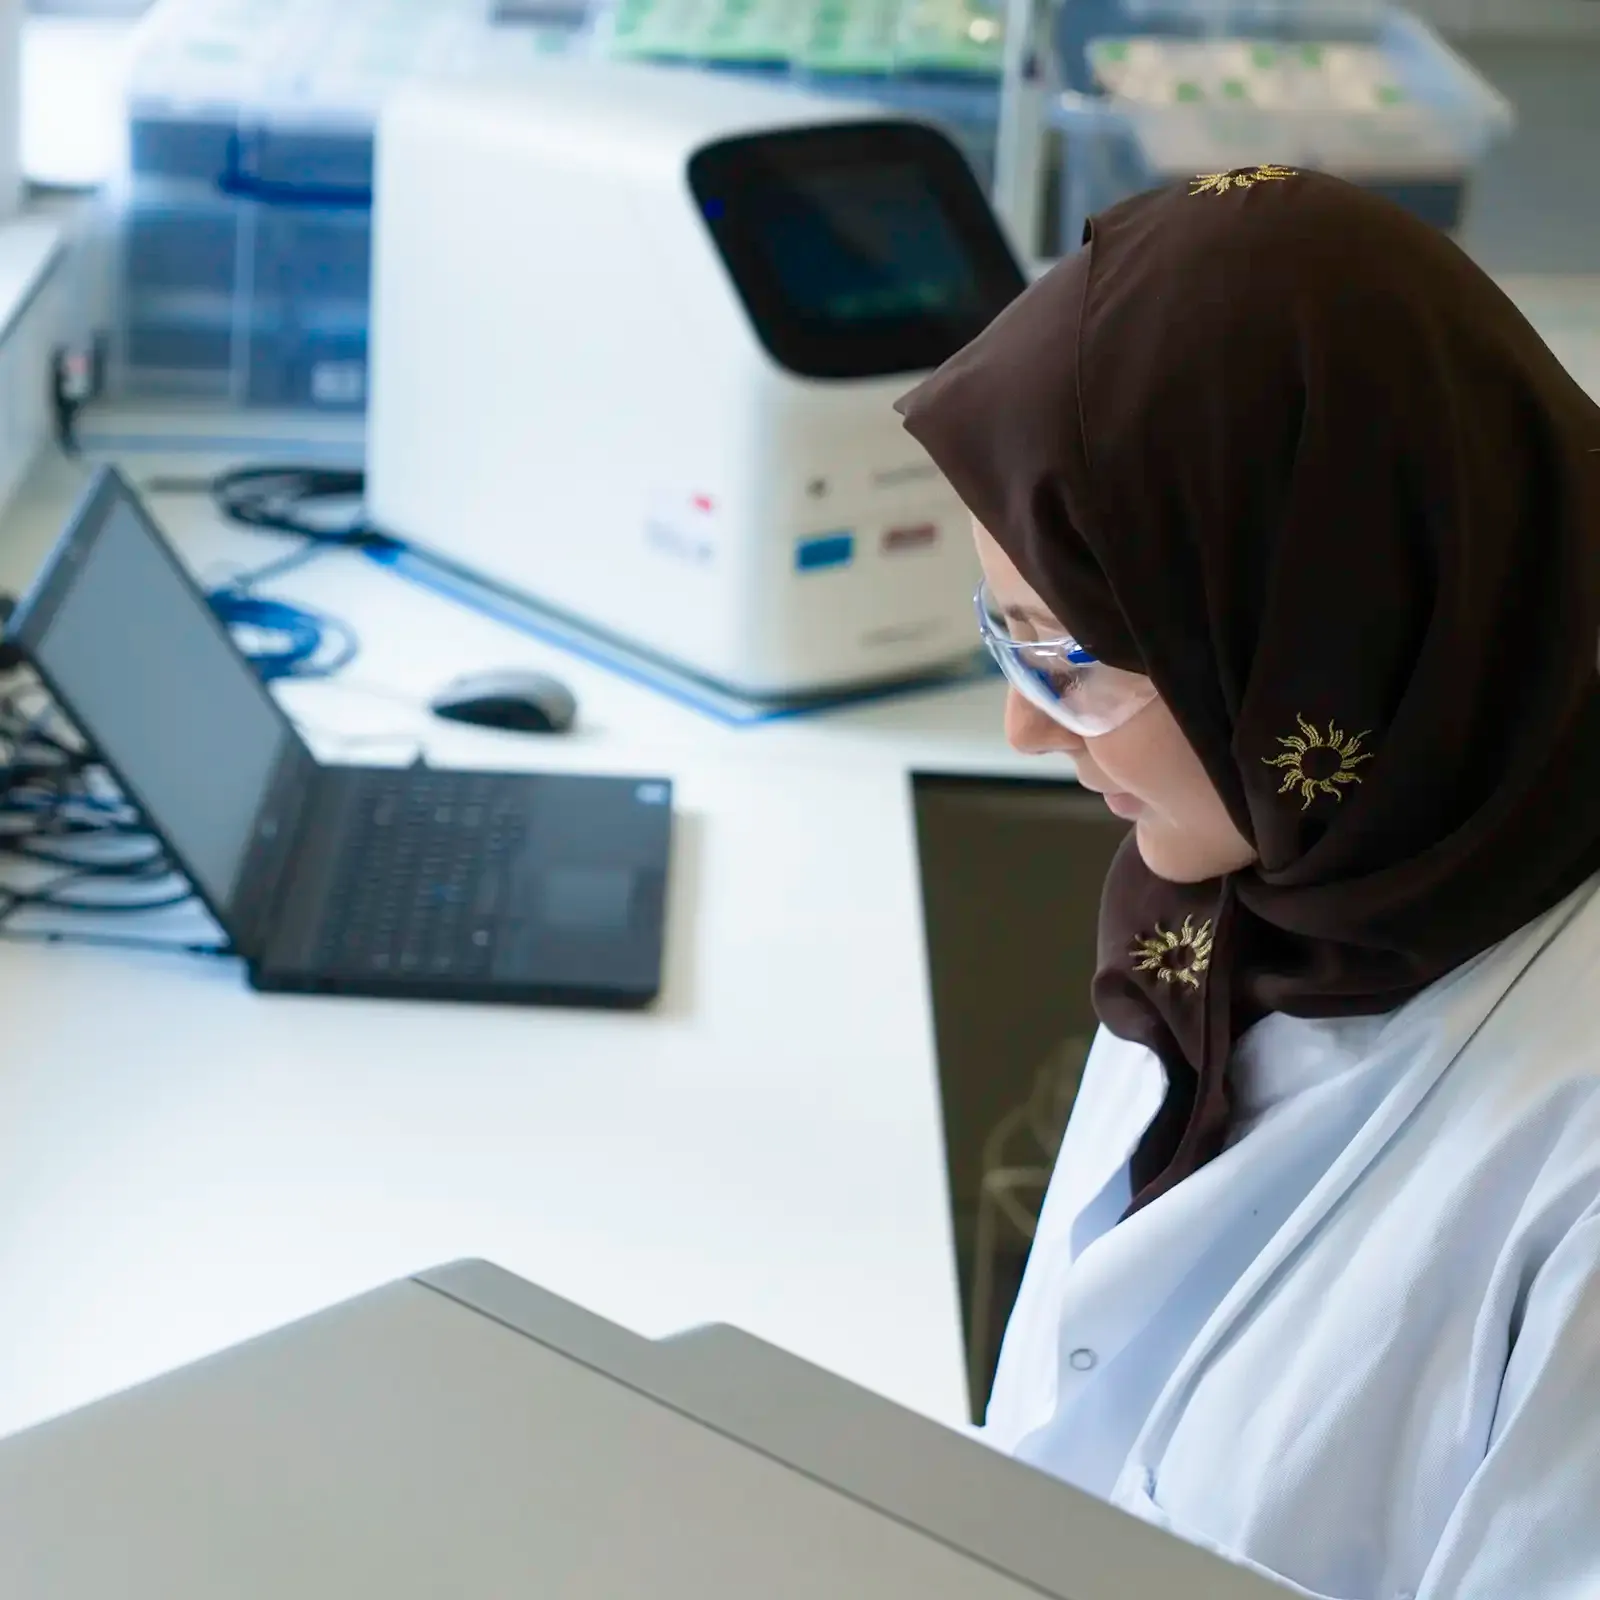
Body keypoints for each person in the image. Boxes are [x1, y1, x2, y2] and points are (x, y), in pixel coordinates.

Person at [896, 167, 1600, 1600]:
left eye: (1072, 658)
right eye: (1006, 636)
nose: (1025, 727)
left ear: (1303, 630)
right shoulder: (1265, 884)